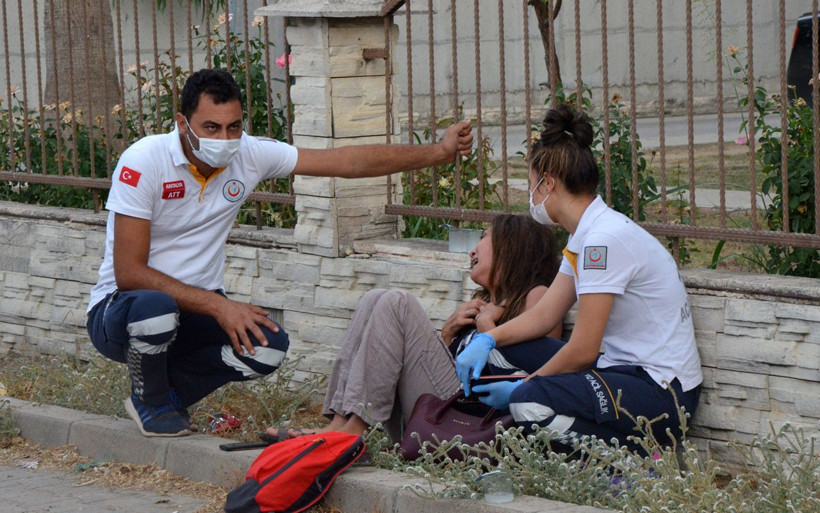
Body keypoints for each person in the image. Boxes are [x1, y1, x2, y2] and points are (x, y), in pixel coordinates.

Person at [85, 68, 473, 437]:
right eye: (211, 127)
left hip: (194, 311)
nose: (224, 139)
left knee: (268, 347)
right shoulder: (144, 160)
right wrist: (221, 306)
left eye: (233, 126)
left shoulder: (250, 153)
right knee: (157, 309)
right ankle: (151, 400)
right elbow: (129, 273)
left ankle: (161, 397)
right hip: (122, 311)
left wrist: (438, 153)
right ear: (182, 123)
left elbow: (346, 162)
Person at [459, 104, 703, 451]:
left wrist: (525, 385)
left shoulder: (603, 240)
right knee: (485, 348)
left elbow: (584, 350)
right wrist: (489, 340)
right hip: (621, 374)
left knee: (529, 402)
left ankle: (627, 466)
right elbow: (545, 316)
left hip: (661, 393)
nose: (530, 196)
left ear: (549, 184)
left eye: (530, 185)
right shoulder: (585, 235)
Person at [266, 214, 562, 441]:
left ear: (511, 248)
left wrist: (487, 328)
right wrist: (448, 334)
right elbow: (450, 366)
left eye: (484, 238)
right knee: (374, 298)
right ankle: (338, 423)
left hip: (475, 415)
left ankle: (354, 431)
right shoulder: (483, 303)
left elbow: (542, 367)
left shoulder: (537, 296)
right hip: (450, 404)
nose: (472, 250)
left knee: (397, 302)